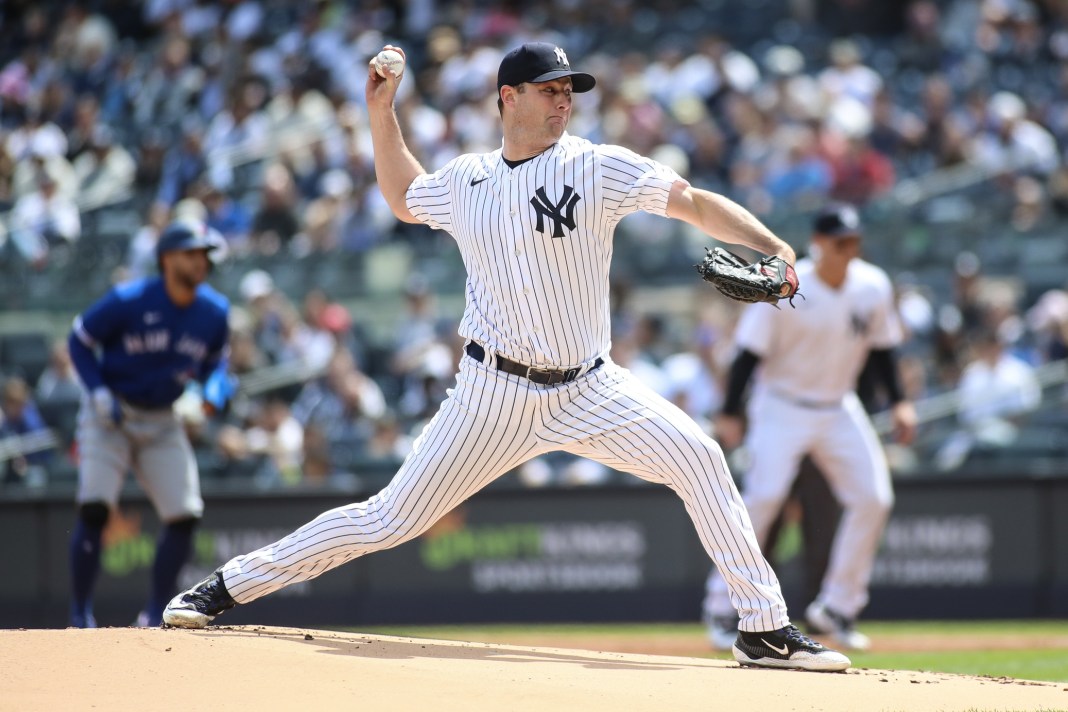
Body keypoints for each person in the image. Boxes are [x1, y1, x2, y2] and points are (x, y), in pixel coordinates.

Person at [164, 42, 850, 672]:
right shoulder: (467, 181)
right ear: (508, 97)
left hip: (590, 387)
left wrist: (777, 250)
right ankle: (227, 585)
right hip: (491, 393)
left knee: (699, 458)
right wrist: (382, 112)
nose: (563, 101)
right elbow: (404, 196)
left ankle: (763, 627)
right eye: (549, 88)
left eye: (569, 91)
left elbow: (693, 203)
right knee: (389, 519)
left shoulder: (595, 164)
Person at [703, 202, 917, 652]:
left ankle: (838, 605)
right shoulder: (786, 286)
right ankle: (724, 605)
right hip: (781, 406)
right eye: (841, 241)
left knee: (874, 498)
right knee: (763, 499)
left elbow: (882, 350)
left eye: (854, 241)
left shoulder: (872, 285)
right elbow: (747, 353)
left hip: (839, 406)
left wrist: (899, 402)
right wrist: (730, 410)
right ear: (818, 244)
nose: (850, 249)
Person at [67, 219, 232, 628]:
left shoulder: (214, 311)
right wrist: (98, 391)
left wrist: (207, 397)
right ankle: (79, 615)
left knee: (184, 514)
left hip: (163, 418)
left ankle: (154, 613)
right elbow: (79, 340)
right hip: (112, 414)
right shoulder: (130, 299)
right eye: (192, 253)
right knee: (94, 508)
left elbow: (217, 368)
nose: (201, 262)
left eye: (204, 255)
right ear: (167, 258)